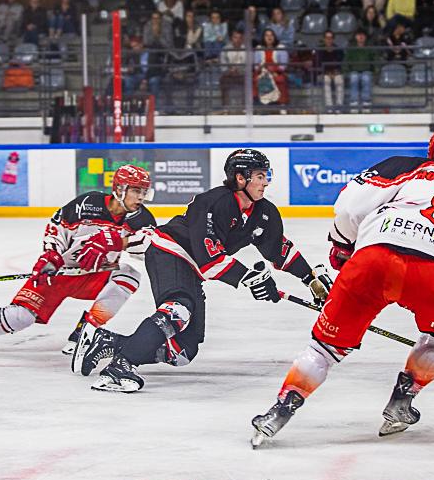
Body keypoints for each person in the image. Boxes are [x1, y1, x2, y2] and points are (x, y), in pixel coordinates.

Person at [250, 125, 434, 446]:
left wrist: (343, 249)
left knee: (324, 348)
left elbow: (350, 207)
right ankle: (403, 402)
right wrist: (419, 295)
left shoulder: (403, 166)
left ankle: (281, 408)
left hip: (373, 258)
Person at [71, 149, 333, 393]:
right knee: (178, 308)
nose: (266, 182)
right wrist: (251, 279)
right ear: (240, 178)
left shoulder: (263, 213)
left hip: (192, 268)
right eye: (260, 176)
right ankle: (119, 369)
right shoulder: (212, 203)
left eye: (267, 176)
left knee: (184, 350)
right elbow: (209, 260)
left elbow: (278, 250)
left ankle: (107, 342)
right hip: (168, 250)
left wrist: (310, 278)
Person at [0, 165, 157, 354]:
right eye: (136, 190)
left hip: (95, 276)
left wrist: (119, 242)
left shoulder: (142, 218)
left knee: (129, 275)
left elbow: (148, 246)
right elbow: (56, 228)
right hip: (59, 273)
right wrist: (51, 255)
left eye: (144, 191)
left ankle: (86, 330)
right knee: (21, 316)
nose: (141, 197)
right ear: (119, 189)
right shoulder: (87, 204)